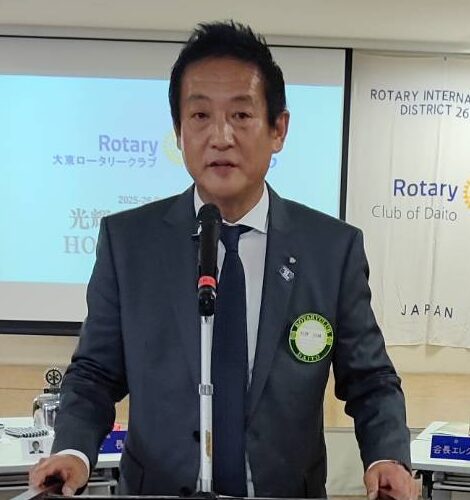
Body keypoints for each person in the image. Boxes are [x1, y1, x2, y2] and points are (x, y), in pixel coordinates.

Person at [30, 21, 418, 499]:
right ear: (178, 131)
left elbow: (370, 379)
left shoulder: (331, 249)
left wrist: (386, 457)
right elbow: (95, 373)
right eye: (199, 116)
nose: (220, 136)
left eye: (241, 115)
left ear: (278, 129)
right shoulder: (128, 242)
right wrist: (72, 450)